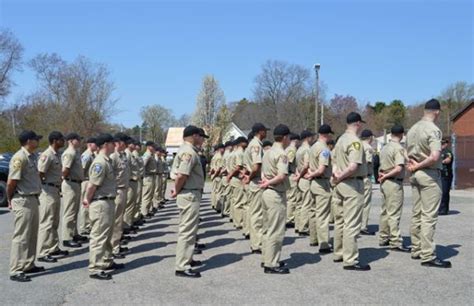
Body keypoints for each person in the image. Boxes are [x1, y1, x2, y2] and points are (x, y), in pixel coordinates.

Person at [407, 99, 451, 268]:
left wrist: (413, 164)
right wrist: (419, 165)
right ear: (437, 112)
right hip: (429, 174)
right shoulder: (433, 130)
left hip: (415, 174)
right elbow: (434, 156)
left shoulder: (412, 129)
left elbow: (406, 152)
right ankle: (428, 255)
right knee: (429, 216)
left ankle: (416, 249)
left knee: (416, 213)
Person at [332, 112, 371, 271]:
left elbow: (333, 160)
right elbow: (354, 165)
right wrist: (341, 175)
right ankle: (350, 259)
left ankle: (339, 252)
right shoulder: (355, 142)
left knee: (340, 220)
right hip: (352, 184)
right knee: (352, 223)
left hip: (340, 184)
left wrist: (336, 174)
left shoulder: (340, 139)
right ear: (358, 124)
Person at [83, 133, 123, 280]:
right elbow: (92, 184)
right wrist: (87, 199)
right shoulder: (100, 162)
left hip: (108, 201)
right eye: (113, 143)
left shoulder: (107, 160)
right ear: (106, 144)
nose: (115, 145)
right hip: (101, 203)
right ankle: (95, 267)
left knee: (107, 235)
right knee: (99, 236)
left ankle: (106, 261)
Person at [8, 130, 44, 282]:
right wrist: (10, 200)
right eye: (36, 139)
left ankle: (28, 264)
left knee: (32, 235)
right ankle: (16, 269)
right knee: (21, 236)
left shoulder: (33, 157)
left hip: (33, 198)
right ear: (29, 141)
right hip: (22, 199)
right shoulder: (19, 157)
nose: (38, 141)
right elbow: (11, 182)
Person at [172, 125, 207, 278]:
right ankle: (182, 266)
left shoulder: (187, 150)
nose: (202, 140)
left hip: (190, 193)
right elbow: (181, 175)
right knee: (187, 231)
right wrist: (178, 190)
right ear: (194, 136)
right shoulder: (188, 152)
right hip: (189, 194)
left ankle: (188, 258)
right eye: (201, 137)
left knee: (190, 230)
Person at [259, 124, 291, 274]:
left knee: (267, 228)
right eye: (289, 137)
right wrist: (269, 182)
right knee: (276, 230)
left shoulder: (267, 152)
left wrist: (266, 181)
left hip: (266, 193)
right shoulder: (282, 154)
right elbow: (282, 175)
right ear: (284, 138)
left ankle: (267, 258)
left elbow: (263, 172)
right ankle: (271, 263)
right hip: (275, 192)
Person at [37, 131, 68, 264]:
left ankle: (53, 247)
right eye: (62, 139)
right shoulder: (47, 155)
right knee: (47, 222)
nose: (64, 141)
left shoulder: (57, 154)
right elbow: (40, 172)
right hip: (48, 190)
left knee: (55, 221)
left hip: (55, 189)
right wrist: (44, 185)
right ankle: (43, 251)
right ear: (55, 140)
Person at [378, 124, 410, 252]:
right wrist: (386, 175)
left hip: (384, 183)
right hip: (393, 182)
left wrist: (383, 175)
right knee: (394, 213)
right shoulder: (398, 149)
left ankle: (383, 236)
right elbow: (398, 168)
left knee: (385, 210)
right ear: (402, 135)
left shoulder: (385, 148)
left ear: (391, 134)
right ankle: (395, 241)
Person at [305, 124, 334, 253]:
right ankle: (324, 243)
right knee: (323, 214)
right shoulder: (324, 149)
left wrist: (311, 174)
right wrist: (314, 173)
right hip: (322, 183)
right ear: (327, 135)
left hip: (313, 184)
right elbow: (322, 169)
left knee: (313, 211)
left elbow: (308, 165)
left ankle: (313, 238)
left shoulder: (312, 147)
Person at [243, 123, 269, 251]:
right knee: (257, 214)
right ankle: (257, 244)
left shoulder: (255, 144)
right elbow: (256, 165)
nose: (266, 133)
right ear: (260, 131)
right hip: (256, 181)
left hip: (255, 180)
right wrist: (251, 176)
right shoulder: (255, 145)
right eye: (265, 131)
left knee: (255, 213)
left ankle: (256, 242)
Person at [62, 133, 86, 248]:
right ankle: (67, 237)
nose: (79, 141)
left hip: (76, 183)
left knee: (75, 210)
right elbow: (65, 170)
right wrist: (65, 179)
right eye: (77, 139)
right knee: (69, 211)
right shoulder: (70, 153)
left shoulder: (76, 152)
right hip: (70, 183)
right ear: (71, 141)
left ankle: (74, 233)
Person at [110, 133, 131, 258]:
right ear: (119, 142)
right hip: (116, 191)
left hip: (123, 190)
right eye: (125, 142)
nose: (127, 144)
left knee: (119, 220)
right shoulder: (114, 157)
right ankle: (113, 248)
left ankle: (116, 244)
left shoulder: (123, 156)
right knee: (116, 221)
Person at [293, 130, 315, 238]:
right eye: (311, 136)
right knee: (307, 203)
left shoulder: (299, 149)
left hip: (300, 178)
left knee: (300, 203)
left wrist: (298, 174)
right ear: (307, 137)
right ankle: (304, 227)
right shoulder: (307, 149)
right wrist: (301, 175)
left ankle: (298, 225)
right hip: (305, 178)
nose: (312, 138)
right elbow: (306, 165)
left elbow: (297, 165)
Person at [226, 136, 248, 230]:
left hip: (234, 178)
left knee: (235, 200)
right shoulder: (240, 153)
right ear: (241, 143)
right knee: (239, 201)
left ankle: (236, 221)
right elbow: (238, 167)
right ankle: (239, 222)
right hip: (237, 178)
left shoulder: (233, 153)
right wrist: (230, 176)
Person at [80, 137, 98, 236]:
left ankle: (88, 225)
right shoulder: (86, 155)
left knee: (89, 205)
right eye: (95, 143)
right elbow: (82, 169)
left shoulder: (92, 155)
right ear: (90, 144)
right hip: (86, 181)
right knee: (85, 205)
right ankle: (84, 227)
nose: (96, 145)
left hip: (90, 180)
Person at [360, 129, 375, 235]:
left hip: (356, 178)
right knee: (365, 203)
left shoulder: (357, 145)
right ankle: (363, 226)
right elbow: (367, 162)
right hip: (365, 177)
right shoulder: (368, 148)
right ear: (370, 137)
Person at [285, 133, 301, 230]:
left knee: (289, 198)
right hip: (291, 174)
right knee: (292, 198)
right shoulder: (292, 149)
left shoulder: (287, 149)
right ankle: (290, 218)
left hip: (289, 175)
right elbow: (289, 162)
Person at [124, 138, 140, 231]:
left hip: (133, 181)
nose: (135, 146)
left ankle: (129, 223)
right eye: (132, 144)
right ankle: (126, 225)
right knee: (128, 204)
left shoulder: (130, 154)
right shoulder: (127, 154)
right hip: (129, 182)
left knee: (132, 203)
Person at [141, 141, 157, 219]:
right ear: (148, 147)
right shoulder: (147, 155)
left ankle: (147, 210)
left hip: (151, 176)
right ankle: (144, 212)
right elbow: (142, 165)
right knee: (147, 195)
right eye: (153, 146)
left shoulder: (151, 155)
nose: (154, 148)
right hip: (148, 177)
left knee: (150, 195)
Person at [439, 138, 453, 215]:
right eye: (441, 143)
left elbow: (448, 159)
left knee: (445, 192)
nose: (442, 145)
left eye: (444, 144)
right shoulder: (438, 152)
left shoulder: (448, 152)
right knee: (439, 193)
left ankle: (444, 210)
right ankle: (440, 208)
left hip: (446, 175)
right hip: (439, 175)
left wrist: (441, 162)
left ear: (446, 144)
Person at [133, 140, 145, 225]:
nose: (140, 147)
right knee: (135, 200)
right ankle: (132, 220)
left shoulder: (137, 155)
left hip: (138, 178)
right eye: (138, 145)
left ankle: (135, 217)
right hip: (133, 179)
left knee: (137, 199)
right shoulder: (133, 155)